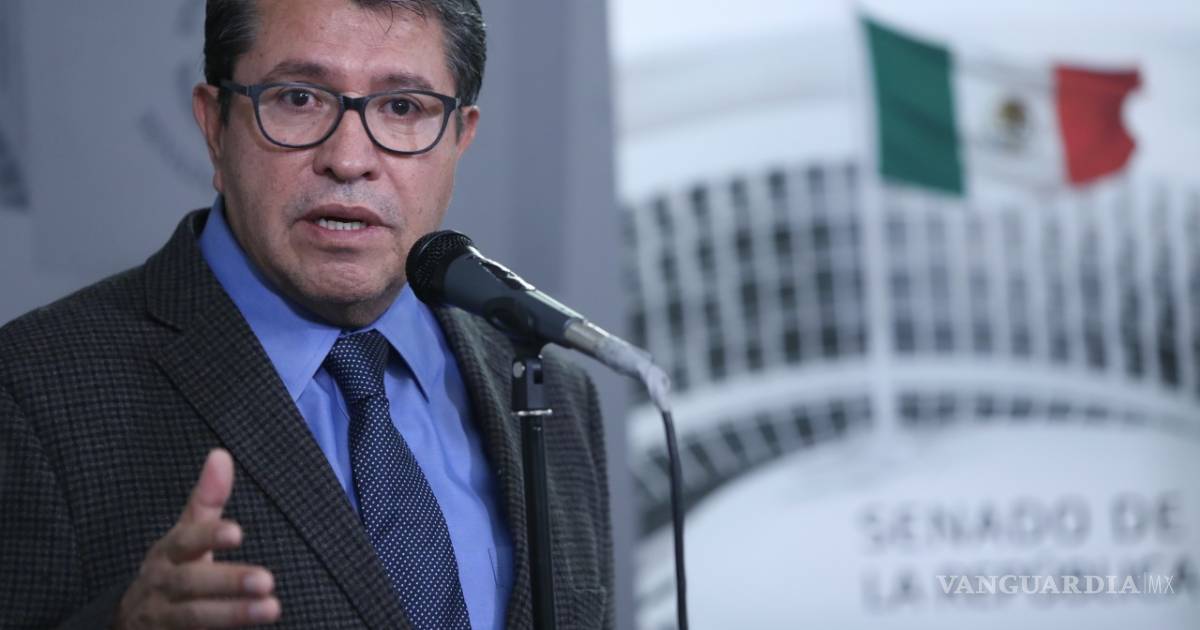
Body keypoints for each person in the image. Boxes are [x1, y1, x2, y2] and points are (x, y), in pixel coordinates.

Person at [0, 1, 613, 628]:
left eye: (403, 107)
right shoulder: (30, 394)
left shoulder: (555, 394)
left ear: (460, 139)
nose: (348, 159)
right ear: (215, 127)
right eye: (298, 98)